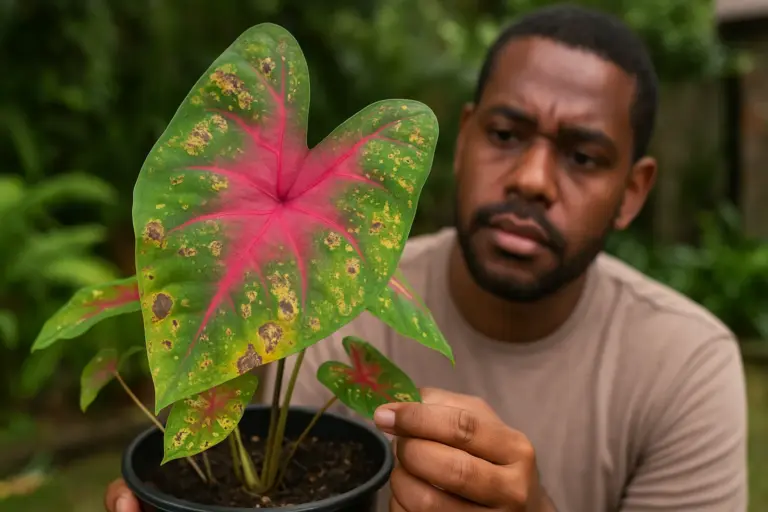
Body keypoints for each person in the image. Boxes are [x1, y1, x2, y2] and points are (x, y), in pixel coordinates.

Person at [105, 4, 748, 512]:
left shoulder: (686, 365)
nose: (532, 179)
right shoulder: (339, 287)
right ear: (463, 140)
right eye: (505, 134)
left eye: (582, 157)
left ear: (632, 192)